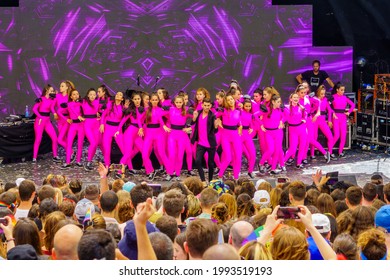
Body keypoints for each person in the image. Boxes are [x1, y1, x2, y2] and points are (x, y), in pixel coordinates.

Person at [191, 98, 219, 183]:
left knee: (210, 164)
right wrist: (194, 118)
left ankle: (210, 180)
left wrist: (216, 127)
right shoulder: (198, 113)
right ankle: (203, 180)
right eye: (205, 105)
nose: (206, 107)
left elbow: (215, 131)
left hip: (210, 144)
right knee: (198, 161)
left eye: (208, 106)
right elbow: (193, 124)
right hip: (201, 143)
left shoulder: (212, 116)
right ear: (202, 105)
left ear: (210, 106)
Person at [217, 94, 243, 179]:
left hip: (235, 136)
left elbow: (240, 123)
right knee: (228, 158)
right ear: (226, 102)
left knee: (238, 158)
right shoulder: (223, 111)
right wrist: (218, 121)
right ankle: (220, 176)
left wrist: (240, 127)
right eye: (228, 100)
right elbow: (213, 116)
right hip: (226, 136)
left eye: (231, 99)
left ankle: (236, 178)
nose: (230, 101)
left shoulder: (238, 111)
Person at [32, 84, 60, 163]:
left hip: (47, 121)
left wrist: (56, 96)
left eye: (53, 91)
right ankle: (34, 157)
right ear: (47, 91)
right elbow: (34, 109)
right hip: (40, 121)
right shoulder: (41, 99)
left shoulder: (51, 100)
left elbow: (52, 108)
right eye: (51, 90)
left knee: (54, 137)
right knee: (38, 139)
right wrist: (40, 117)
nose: (52, 92)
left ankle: (55, 155)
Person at [61, 89, 85, 169]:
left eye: (77, 94)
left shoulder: (81, 103)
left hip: (81, 125)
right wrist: (66, 119)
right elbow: (59, 111)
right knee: (69, 143)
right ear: (71, 96)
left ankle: (78, 161)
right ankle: (67, 162)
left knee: (80, 144)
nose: (76, 95)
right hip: (73, 125)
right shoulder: (69, 104)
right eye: (74, 94)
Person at [331, 82, 355, 157]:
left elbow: (353, 105)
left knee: (343, 135)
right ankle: (329, 151)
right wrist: (332, 113)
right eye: (341, 90)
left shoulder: (345, 97)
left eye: (343, 90)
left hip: (343, 117)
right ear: (337, 90)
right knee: (336, 135)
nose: (343, 91)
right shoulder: (333, 97)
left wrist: (349, 112)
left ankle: (340, 151)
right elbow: (328, 107)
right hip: (336, 118)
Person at [82, 88, 100, 171]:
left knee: (95, 144)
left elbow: (103, 111)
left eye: (94, 94)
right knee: (92, 142)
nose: (92, 96)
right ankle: (88, 161)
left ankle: (90, 161)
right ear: (88, 95)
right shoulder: (83, 102)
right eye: (91, 94)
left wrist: (100, 116)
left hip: (96, 124)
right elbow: (73, 107)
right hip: (87, 124)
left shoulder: (97, 102)